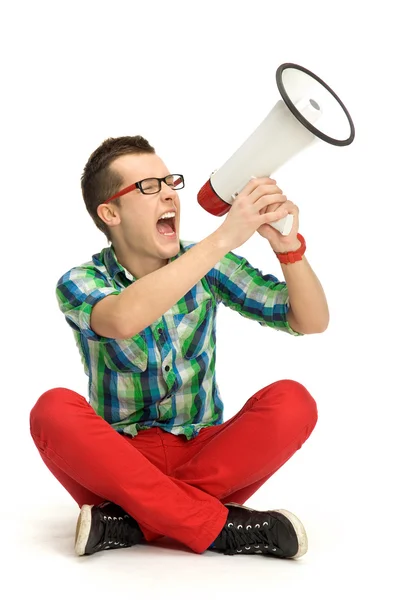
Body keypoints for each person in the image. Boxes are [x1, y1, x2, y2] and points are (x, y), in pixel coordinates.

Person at [30, 135, 329, 559]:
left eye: (169, 181)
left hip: (209, 456)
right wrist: (224, 237)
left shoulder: (210, 264)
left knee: (293, 401)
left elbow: (311, 320)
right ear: (110, 212)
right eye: (148, 187)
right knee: (52, 410)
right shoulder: (79, 282)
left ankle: (133, 522)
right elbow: (123, 318)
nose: (169, 192)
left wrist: (289, 249)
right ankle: (222, 528)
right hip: (118, 464)